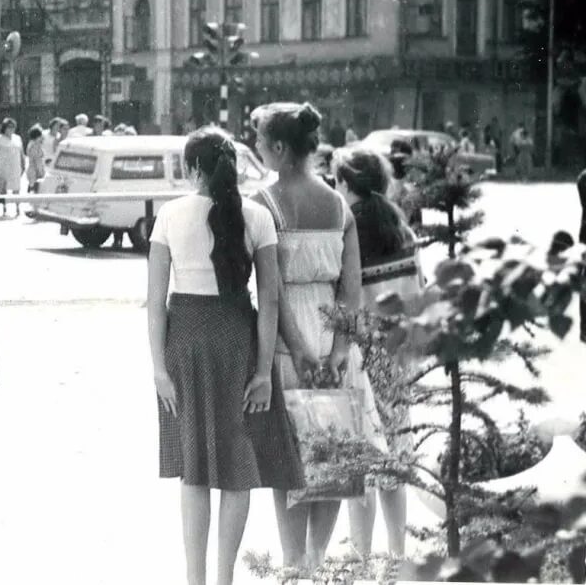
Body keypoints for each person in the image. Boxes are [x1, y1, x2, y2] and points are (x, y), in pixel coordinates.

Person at [150, 126, 303, 585]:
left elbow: (156, 300)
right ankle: (224, 579)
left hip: (187, 340)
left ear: (193, 168)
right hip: (240, 338)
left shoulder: (170, 215)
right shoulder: (257, 217)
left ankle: (194, 580)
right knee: (238, 466)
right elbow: (270, 300)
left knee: (193, 466)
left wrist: (158, 369)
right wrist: (262, 372)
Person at [250, 102, 382, 572]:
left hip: (290, 343)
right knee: (333, 455)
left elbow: (272, 292)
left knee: (291, 461)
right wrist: (340, 351)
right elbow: (352, 289)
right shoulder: (338, 205)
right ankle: (316, 559)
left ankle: (292, 562)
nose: (258, 150)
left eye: (261, 143)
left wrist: (301, 352)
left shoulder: (262, 205)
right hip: (334, 342)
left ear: (279, 148)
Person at [332, 148, 421, 561]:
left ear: (347, 184)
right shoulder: (403, 230)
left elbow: (345, 302)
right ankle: (398, 551)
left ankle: (362, 552)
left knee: (361, 459)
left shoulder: (349, 230)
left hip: (361, 361)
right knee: (396, 457)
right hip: (401, 360)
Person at [0, 118, 24, 218]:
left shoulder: (17, 138)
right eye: (9, 127)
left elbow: (21, 153)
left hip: (15, 166)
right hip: (3, 167)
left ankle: (17, 208)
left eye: (13, 127)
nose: (11, 129)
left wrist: (23, 165)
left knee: (16, 188)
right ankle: (4, 208)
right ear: (4, 128)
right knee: (4, 189)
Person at [25, 125, 46, 194]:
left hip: (35, 169)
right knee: (35, 191)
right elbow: (36, 159)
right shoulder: (34, 145)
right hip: (35, 171)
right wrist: (40, 171)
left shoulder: (34, 144)